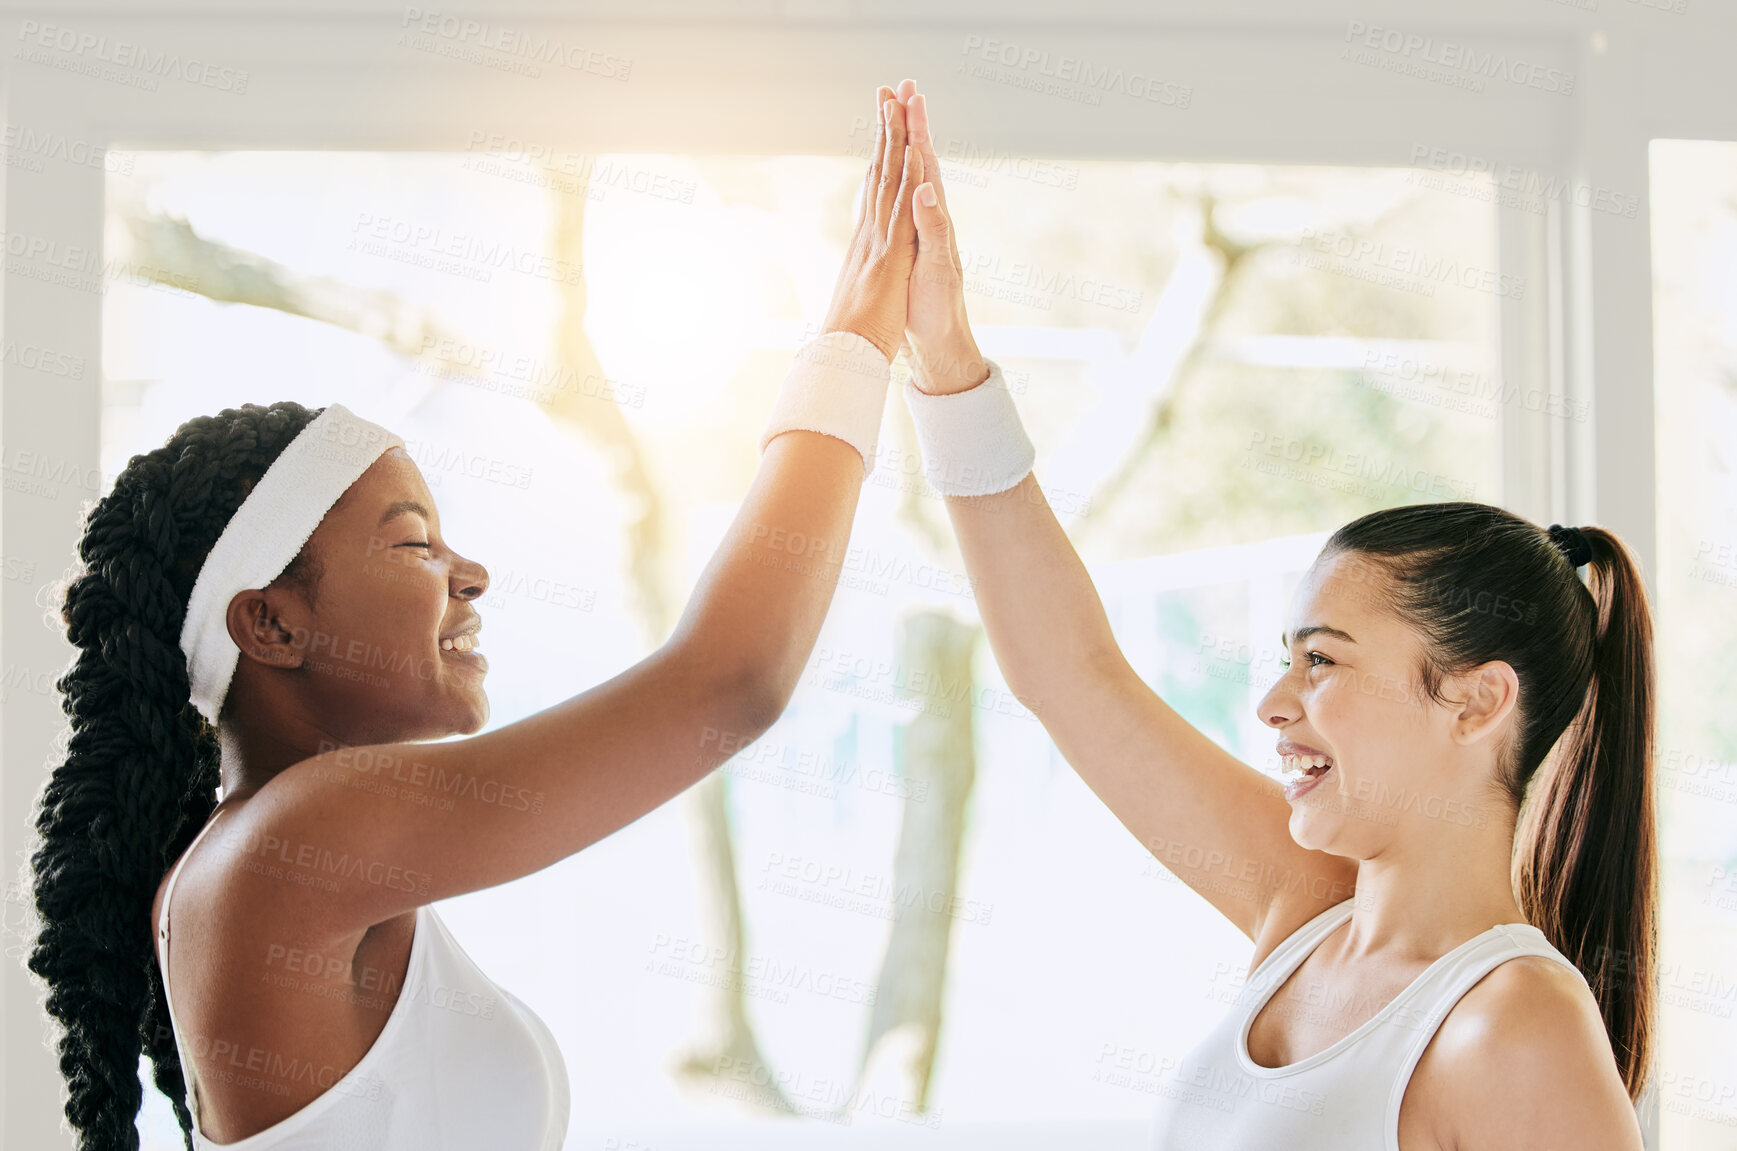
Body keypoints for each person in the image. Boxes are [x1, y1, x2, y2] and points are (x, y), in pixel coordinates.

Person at [27, 82, 932, 1151]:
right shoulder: (295, 837)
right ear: (270, 625)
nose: (473, 574)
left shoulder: (279, 847)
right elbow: (727, 685)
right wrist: (854, 347)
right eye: (413, 542)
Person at [892, 80, 1655, 1149]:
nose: (1273, 701)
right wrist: (944, 363)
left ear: (1478, 699)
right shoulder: (1309, 914)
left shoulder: (1514, 1024)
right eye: (1287, 658)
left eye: (1324, 662)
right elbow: (1071, 674)